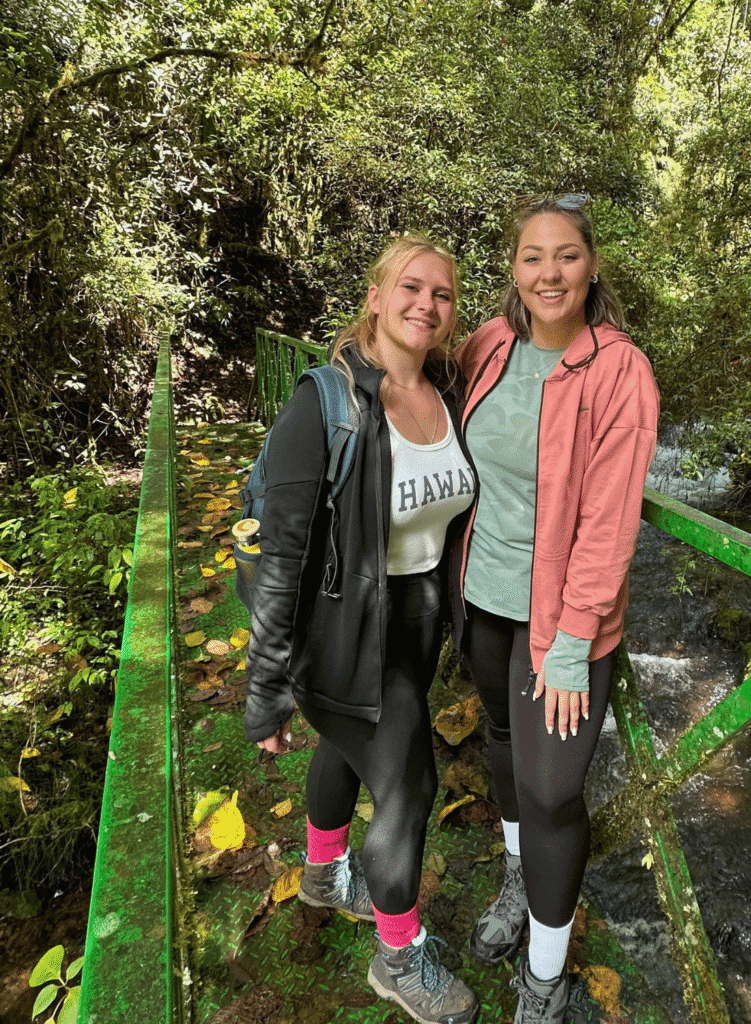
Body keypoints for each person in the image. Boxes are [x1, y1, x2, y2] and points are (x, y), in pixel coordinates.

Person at [243, 233, 479, 1024]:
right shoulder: (325, 402)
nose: (426, 304)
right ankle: (398, 958)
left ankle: (320, 875)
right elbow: (282, 551)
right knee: (409, 785)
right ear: (376, 298)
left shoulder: (445, 391)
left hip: (415, 624)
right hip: (338, 633)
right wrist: (266, 686)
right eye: (411, 287)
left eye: (442, 294)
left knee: (347, 747)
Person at [452, 195, 659, 1024]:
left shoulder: (619, 370)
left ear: (592, 265)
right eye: (532, 256)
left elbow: (610, 522)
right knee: (502, 744)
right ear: (513, 268)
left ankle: (545, 975)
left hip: (562, 620)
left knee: (550, 793)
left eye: (566, 255)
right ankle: (518, 876)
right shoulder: (489, 345)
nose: (549, 273)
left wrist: (573, 643)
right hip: (481, 598)